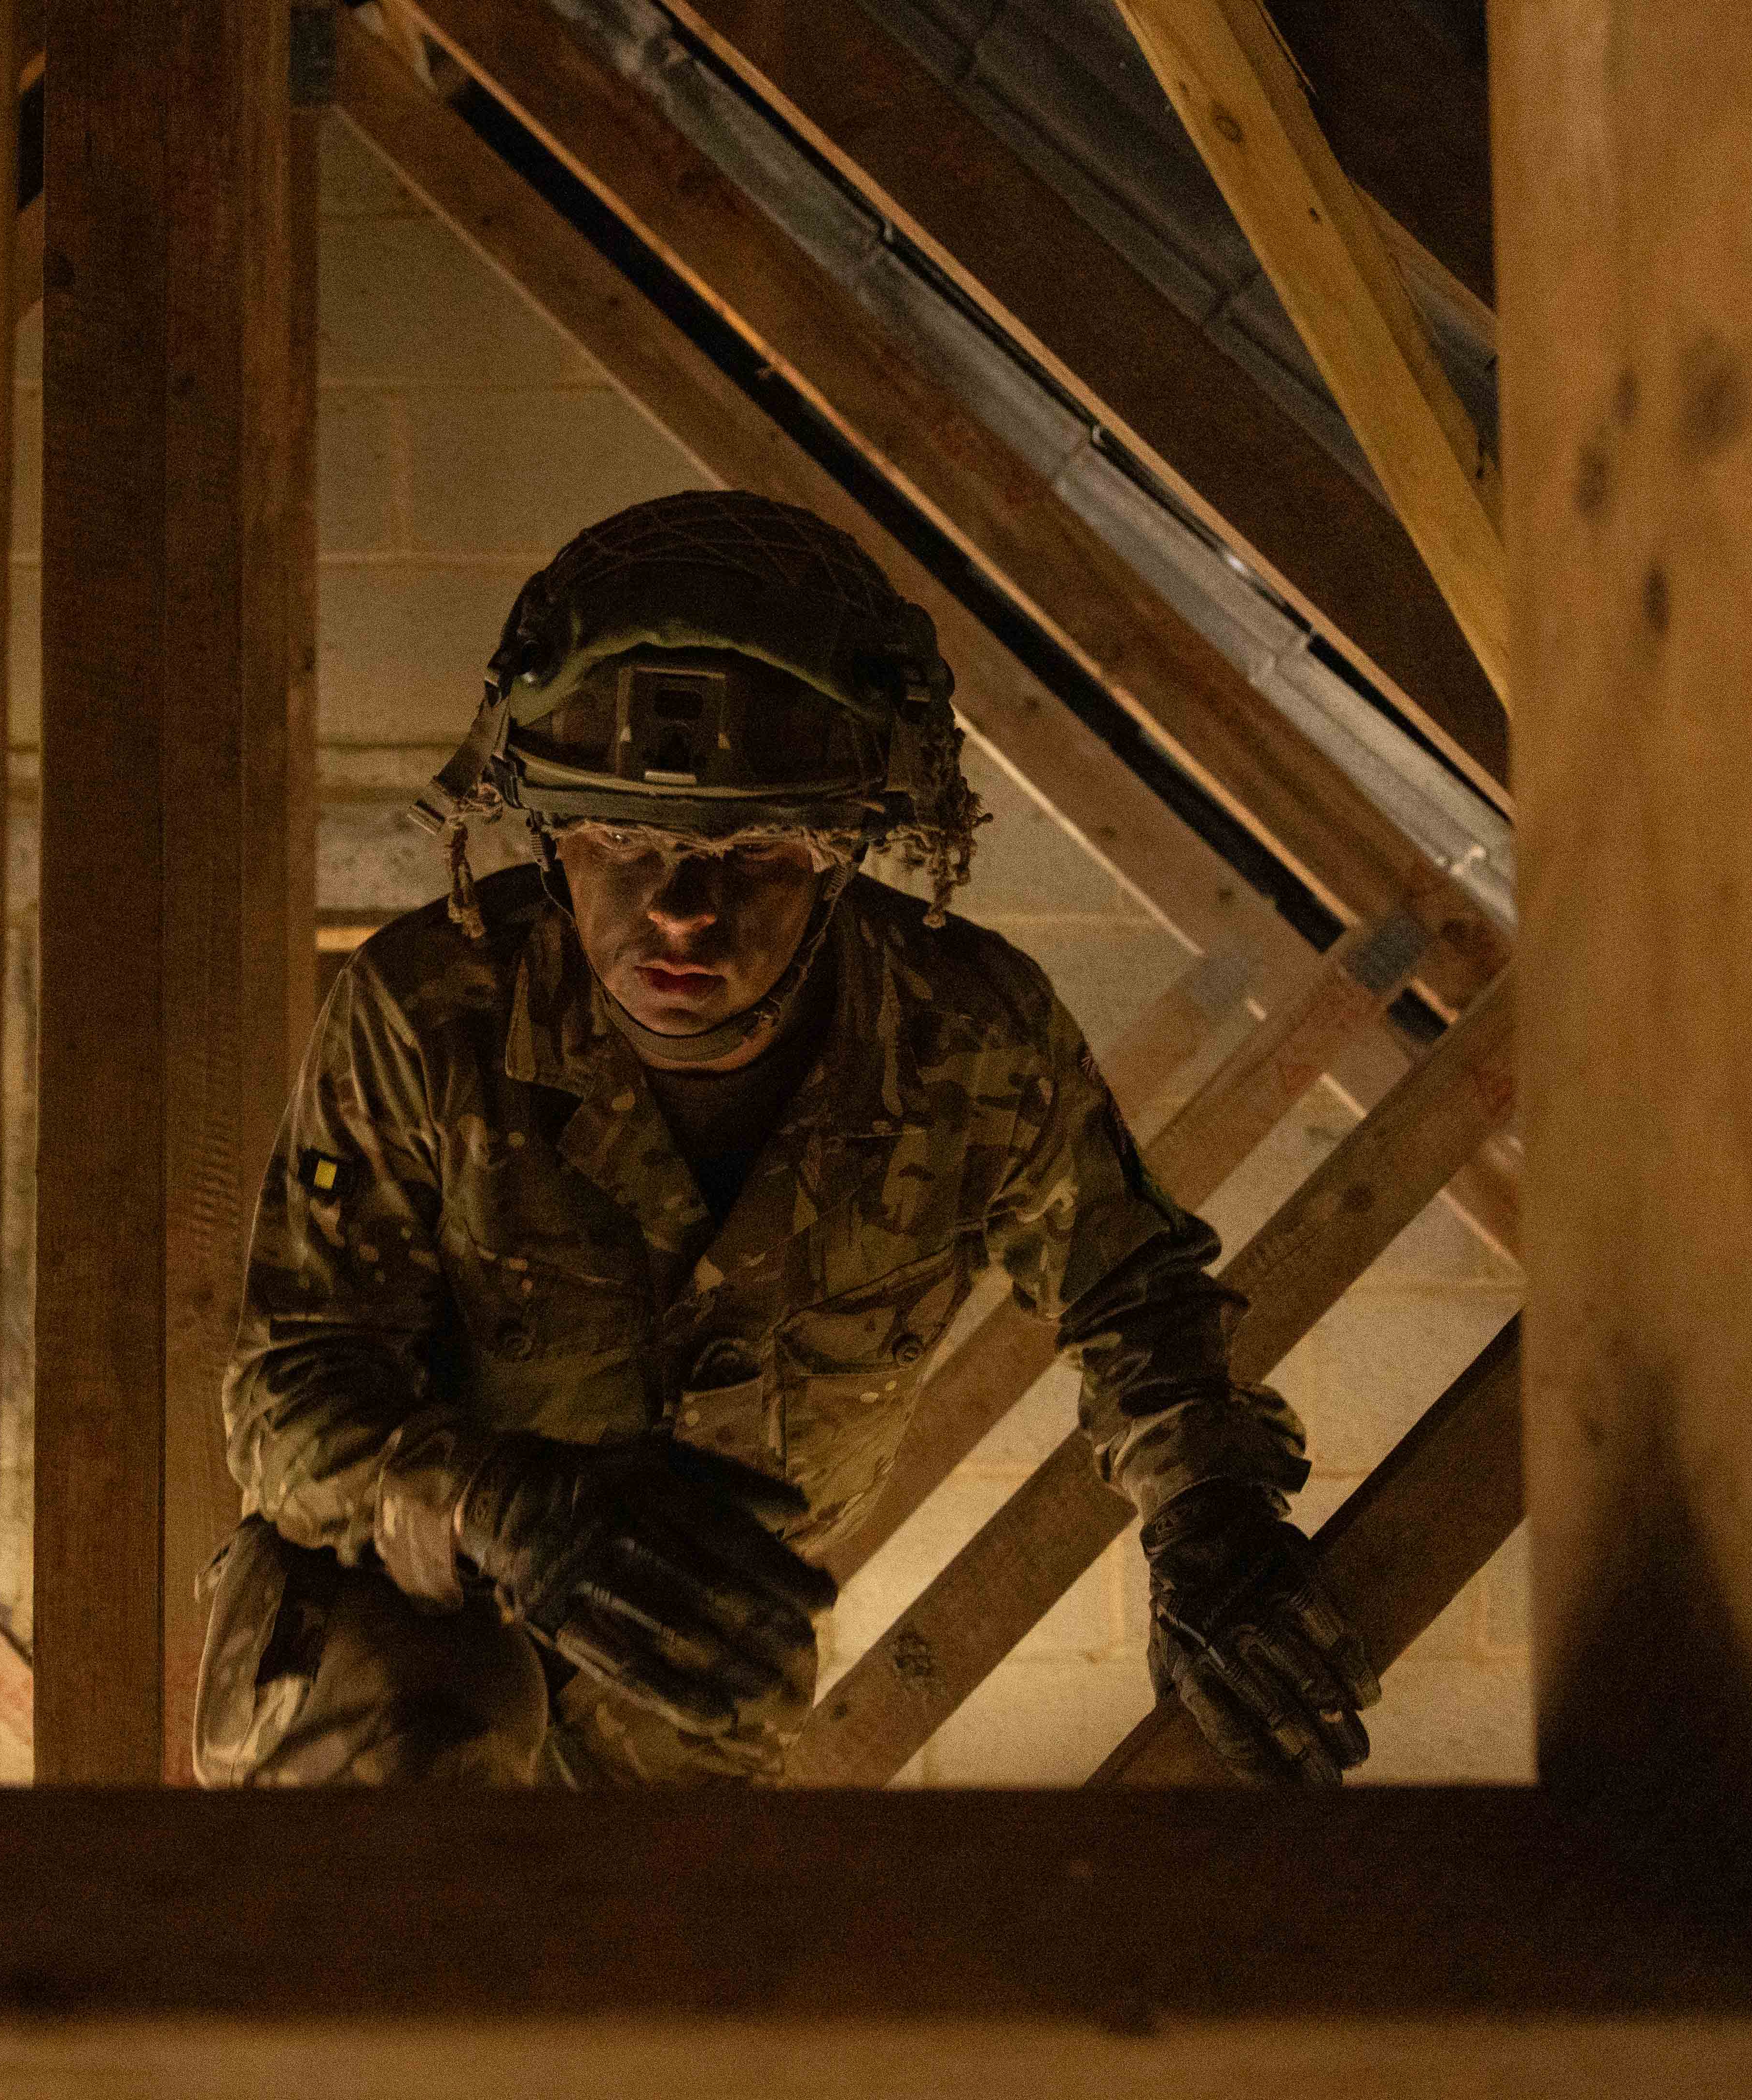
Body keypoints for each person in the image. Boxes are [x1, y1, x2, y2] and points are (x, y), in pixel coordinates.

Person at [195, 491, 1375, 1787]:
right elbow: (283, 1396)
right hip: (409, 1635)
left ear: (847, 852)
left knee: (649, 1967)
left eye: (751, 852)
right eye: (624, 842)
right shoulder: (431, 1015)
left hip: (696, 1672)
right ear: (544, 833)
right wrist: (496, 1502)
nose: (683, 912)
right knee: (432, 1783)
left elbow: (1132, 1290)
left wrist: (1206, 1512)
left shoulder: (965, 1039)